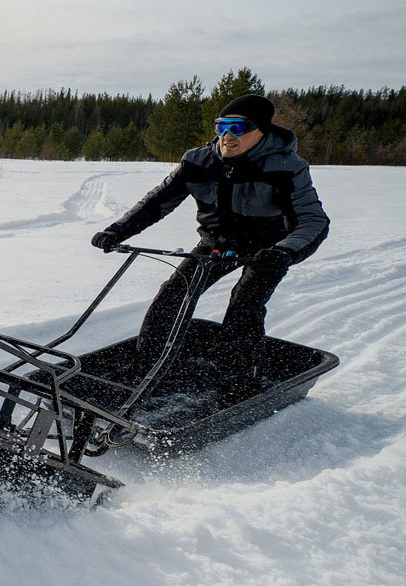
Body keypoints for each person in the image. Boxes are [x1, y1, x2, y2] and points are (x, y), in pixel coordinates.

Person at [90, 94, 329, 404]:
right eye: (222, 127)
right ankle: (150, 371)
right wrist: (118, 230)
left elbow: (313, 220)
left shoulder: (287, 166)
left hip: (267, 249)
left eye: (238, 127)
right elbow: (156, 202)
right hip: (216, 243)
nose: (228, 136)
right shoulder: (198, 161)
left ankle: (239, 384)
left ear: (261, 131)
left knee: (245, 303)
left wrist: (284, 253)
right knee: (172, 296)